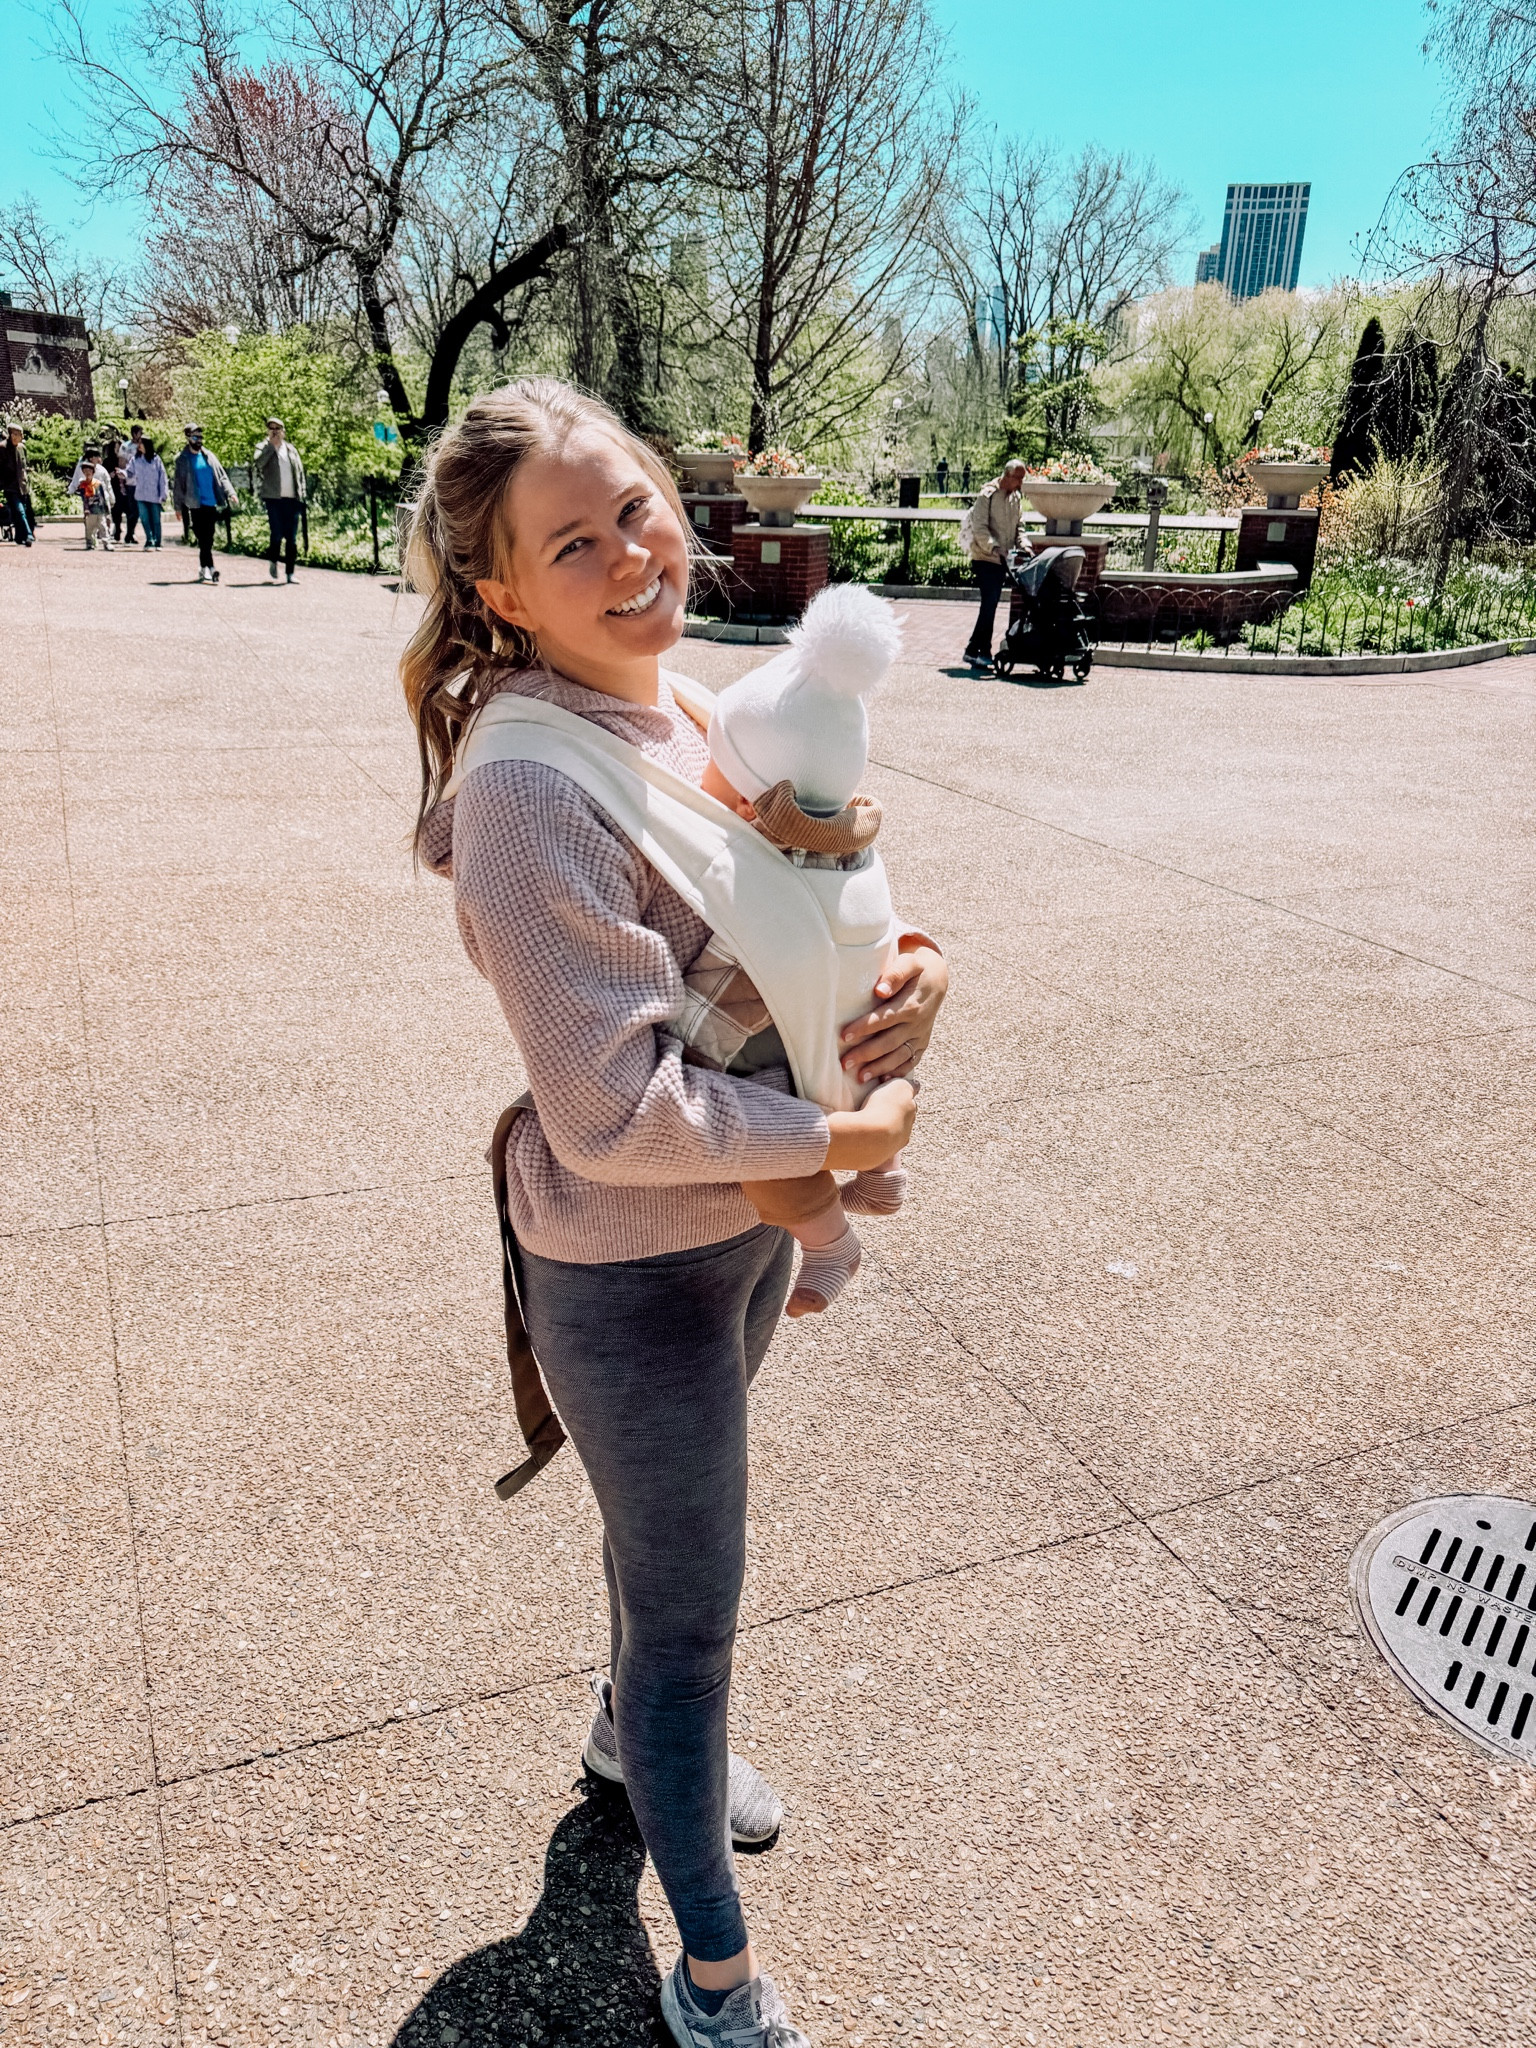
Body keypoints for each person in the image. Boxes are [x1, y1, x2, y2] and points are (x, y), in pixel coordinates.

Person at [402, 377, 947, 2048]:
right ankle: (713, 1976)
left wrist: (912, 979)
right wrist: (849, 1128)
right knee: (694, 1603)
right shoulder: (523, 786)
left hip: (740, 1221)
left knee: (663, 1563)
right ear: (499, 593)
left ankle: (635, 1750)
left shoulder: (690, 709)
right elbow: (618, 1108)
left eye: (635, 503)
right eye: (574, 543)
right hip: (627, 1265)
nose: (636, 554)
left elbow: (807, 910)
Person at [686, 582, 912, 1317]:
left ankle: (829, 1240)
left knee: (770, 1162)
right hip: (858, 1039)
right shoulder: (844, 843)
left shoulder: (748, 867)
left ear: (753, 804)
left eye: (713, 764)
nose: (701, 777)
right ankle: (882, 1170)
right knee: (858, 1064)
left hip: (774, 1064)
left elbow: (723, 999)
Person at [963, 458, 1025, 666]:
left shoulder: (1016, 498)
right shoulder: (987, 495)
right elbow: (980, 527)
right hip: (985, 556)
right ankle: (983, 651)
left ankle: (973, 649)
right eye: (1018, 479)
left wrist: (1024, 544)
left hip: (1002, 560)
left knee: (990, 604)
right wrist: (994, 546)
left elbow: (1020, 527)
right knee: (989, 603)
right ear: (1008, 476)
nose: (1021, 484)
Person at [173, 424, 237, 583]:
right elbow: (178, 485)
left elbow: (222, 477)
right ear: (188, 438)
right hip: (195, 504)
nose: (199, 440)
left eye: (201, 437)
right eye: (195, 437)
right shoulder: (183, 459)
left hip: (211, 502)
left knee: (208, 538)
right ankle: (212, 568)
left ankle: (204, 568)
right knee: (203, 538)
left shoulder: (209, 456)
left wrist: (231, 493)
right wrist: (178, 507)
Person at [252, 415, 306, 583]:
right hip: (273, 498)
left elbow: (300, 473)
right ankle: (273, 560)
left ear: (283, 432)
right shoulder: (263, 447)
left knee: (291, 538)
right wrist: (271, 447)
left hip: (292, 498)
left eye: (277, 429)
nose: (274, 432)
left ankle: (290, 573)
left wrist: (302, 494)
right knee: (276, 534)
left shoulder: (291, 449)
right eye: (271, 429)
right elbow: (258, 464)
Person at [70, 442, 114, 550]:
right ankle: (90, 542)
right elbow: (83, 494)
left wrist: (109, 502)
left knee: (103, 526)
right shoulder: (82, 477)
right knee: (89, 527)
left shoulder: (101, 473)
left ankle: (106, 542)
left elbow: (107, 488)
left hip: (100, 507)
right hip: (90, 508)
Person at [128, 435, 168, 549]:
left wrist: (163, 493)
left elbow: (162, 477)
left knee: (155, 520)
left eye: (141, 443)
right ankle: (149, 540)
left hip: (154, 495)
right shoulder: (135, 459)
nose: (139, 445)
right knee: (144, 519)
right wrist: (123, 473)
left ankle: (157, 541)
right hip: (141, 494)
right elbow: (129, 471)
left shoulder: (156, 459)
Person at [0, 423, 35, 546]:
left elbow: (24, 466)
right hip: (10, 486)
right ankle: (29, 535)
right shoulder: (2, 448)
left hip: (23, 486)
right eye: (13, 434)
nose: (16, 437)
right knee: (20, 511)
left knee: (23, 512)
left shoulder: (22, 448)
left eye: (18, 435)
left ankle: (20, 537)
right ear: (10, 434)